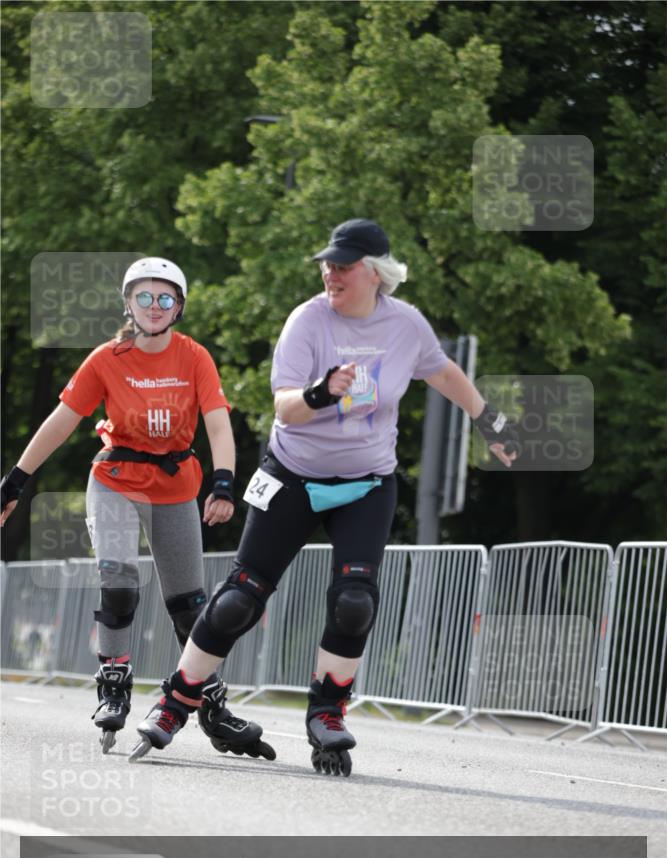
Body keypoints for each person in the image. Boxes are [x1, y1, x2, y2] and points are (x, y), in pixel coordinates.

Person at [129, 220, 519, 774]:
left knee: (355, 601)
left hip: (367, 483)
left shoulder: (405, 326)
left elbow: (444, 372)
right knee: (242, 597)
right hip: (293, 476)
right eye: (327, 264)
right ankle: (176, 700)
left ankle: (328, 713)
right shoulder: (309, 320)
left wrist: (492, 421)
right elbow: (284, 407)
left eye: (343, 265)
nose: (330, 273)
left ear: (376, 272)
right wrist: (322, 391)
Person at [0, 257, 274, 761]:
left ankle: (211, 704)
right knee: (119, 578)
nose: (154, 306)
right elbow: (62, 421)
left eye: (165, 298)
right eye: (144, 297)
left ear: (179, 307)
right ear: (128, 303)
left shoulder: (194, 357)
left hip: (175, 484)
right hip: (116, 479)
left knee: (191, 609)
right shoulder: (108, 357)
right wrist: (14, 480)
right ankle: (114, 682)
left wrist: (222, 484)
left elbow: (217, 425)